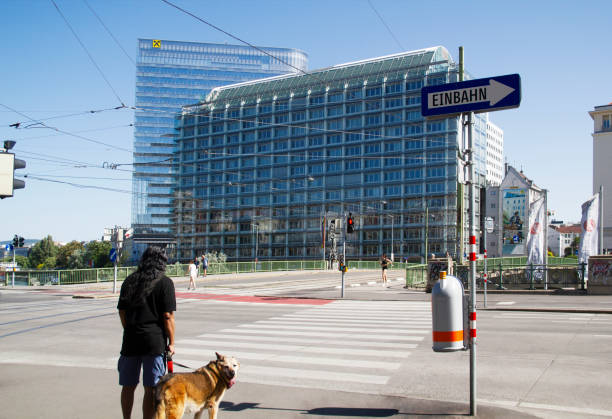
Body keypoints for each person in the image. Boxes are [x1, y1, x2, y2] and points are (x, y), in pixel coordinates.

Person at [117, 246, 176, 419]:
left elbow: (122, 311)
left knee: (128, 386)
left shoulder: (130, 281)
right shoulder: (165, 283)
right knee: (151, 388)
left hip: (130, 339)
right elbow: (167, 316)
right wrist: (171, 343)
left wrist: (129, 328)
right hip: (154, 341)